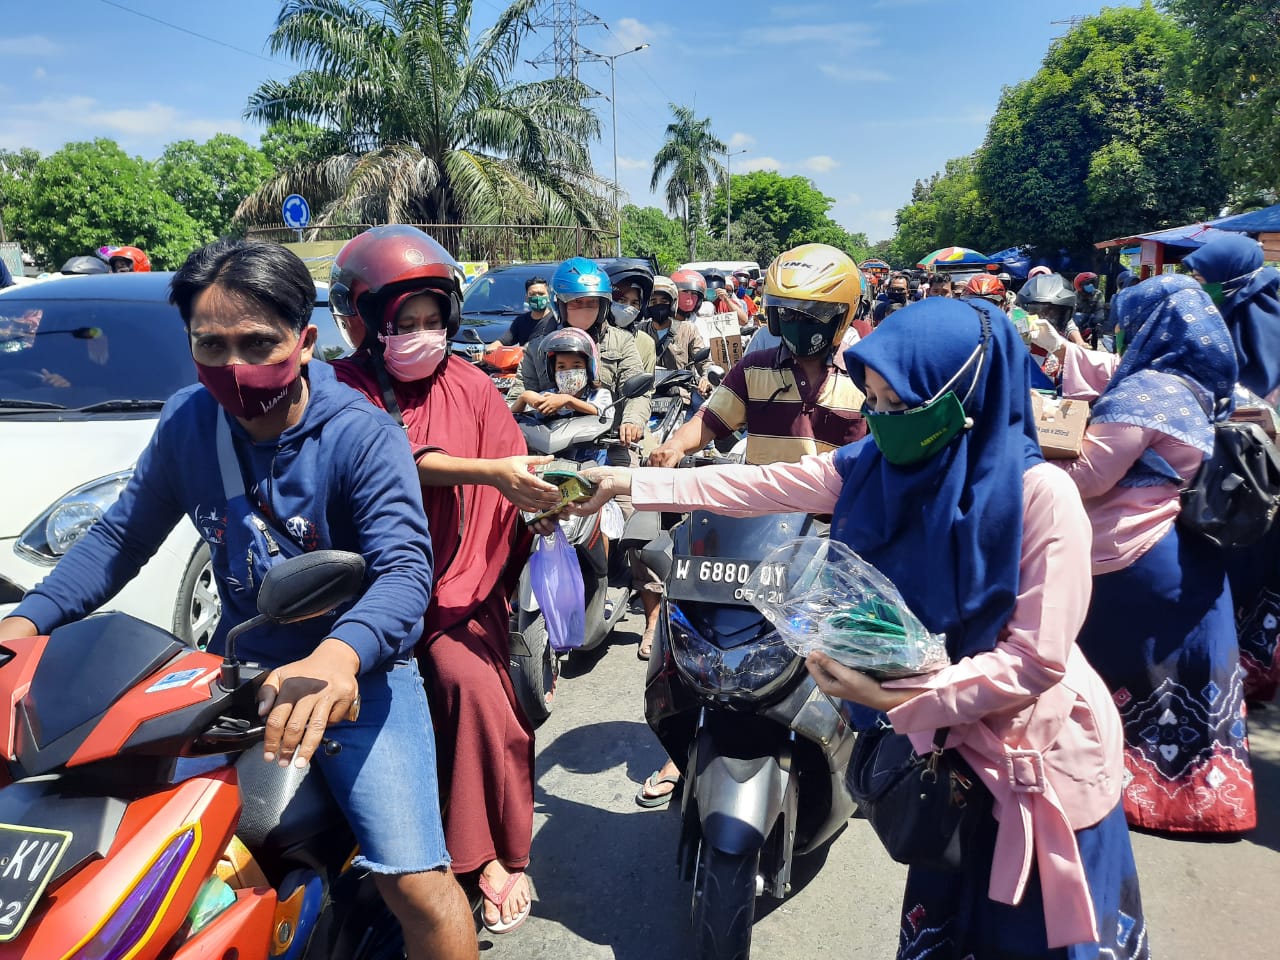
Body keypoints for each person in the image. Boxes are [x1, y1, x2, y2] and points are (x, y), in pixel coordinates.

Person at [573, 296, 1147, 959]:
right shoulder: (874, 467)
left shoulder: (1042, 497)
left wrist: (886, 697)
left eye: (897, 403)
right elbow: (757, 487)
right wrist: (625, 482)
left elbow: (1035, 663)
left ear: (962, 395)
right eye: (871, 400)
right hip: (942, 762)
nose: (879, 418)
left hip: (1033, 768)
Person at [0, 238, 478, 960]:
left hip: (359, 676)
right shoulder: (187, 422)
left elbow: (405, 572)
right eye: (211, 345)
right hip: (238, 673)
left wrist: (340, 656)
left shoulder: (361, 435)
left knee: (413, 882)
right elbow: (119, 539)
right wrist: (23, 624)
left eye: (257, 343)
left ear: (304, 342)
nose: (234, 366)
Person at [327, 226, 560, 935]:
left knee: (471, 685)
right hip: (365, 594)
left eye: (433, 321)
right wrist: (487, 473)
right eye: (405, 324)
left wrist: (539, 508)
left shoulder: (472, 386)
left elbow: (509, 477)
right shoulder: (340, 389)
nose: (422, 337)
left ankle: (491, 855)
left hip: (459, 591)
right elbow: (387, 456)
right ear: (365, 324)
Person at [635, 243, 868, 797]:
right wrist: (674, 446)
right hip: (760, 527)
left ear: (841, 316)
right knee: (712, 637)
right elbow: (711, 420)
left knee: (856, 650)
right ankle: (686, 747)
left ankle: (864, 743)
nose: (795, 324)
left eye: (809, 314)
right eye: (785, 311)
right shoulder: (756, 368)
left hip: (831, 536)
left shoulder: (866, 373)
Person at [1047, 274, 1256, 835]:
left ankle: (1112, 789)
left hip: (1128, 553)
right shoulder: (1206, 384)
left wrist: (1030, 452)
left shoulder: (1145, 392)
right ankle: (1197, 800)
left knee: (1115, 676)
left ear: (1148, 327)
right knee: (1179, 683)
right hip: (1187, 549)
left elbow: (1090, 477)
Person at [1184, 234, 1280, 703]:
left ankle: (1254, 672)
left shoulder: (1270, 325)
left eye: (1203, 277)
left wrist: (1266, 415)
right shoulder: (1212, 325)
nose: (1197, 285)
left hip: (1266, 477)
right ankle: (1225, 671)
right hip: (1219, 474)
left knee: (1258, 566)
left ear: (1232, 278)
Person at [506, 257, 650, 448]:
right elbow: (516, 399)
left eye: (592, 303)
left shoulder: (621, 341)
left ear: (602, 306)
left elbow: (637, 392)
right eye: (577, 302)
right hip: (544, 445)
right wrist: (527, 398)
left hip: (606, 441)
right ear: (560, 305)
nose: (585, 309)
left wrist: (632, 422)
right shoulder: (536, 348)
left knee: (632, 465)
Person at [512, 327, 611, 418]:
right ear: (552, 370)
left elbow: (603, 413)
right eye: (562, 367)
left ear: (589, 368)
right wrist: (524, 397)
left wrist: (568, 400)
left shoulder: (599, 395)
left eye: (576, 366)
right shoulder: (548, 397)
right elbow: (511, 419)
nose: (568, 373)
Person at [606, 262, 657, 375]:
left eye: (634, 303)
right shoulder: (591, 338)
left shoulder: (645, 343)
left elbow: (645, 383)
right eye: (621, 300)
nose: (628, 307)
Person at [486, 275, 552, 351]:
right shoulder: (521, 321)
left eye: (541, 294)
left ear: (549, 296)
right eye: (532, 294)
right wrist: (487, 351)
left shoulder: (556, 320)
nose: (537, 297)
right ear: (526, 298)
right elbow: (503, 341)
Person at [1072, 272, 1106, 346]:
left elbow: (1099, 309)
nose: (1091, 285)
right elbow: (1072, 311)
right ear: (1080, 285)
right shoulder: (1075, 296)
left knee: (1096, 328)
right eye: (1088, 284)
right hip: (1078, 323)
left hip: (1092, 322)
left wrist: (1098, 323)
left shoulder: (1097, 294)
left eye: (1092, 283)